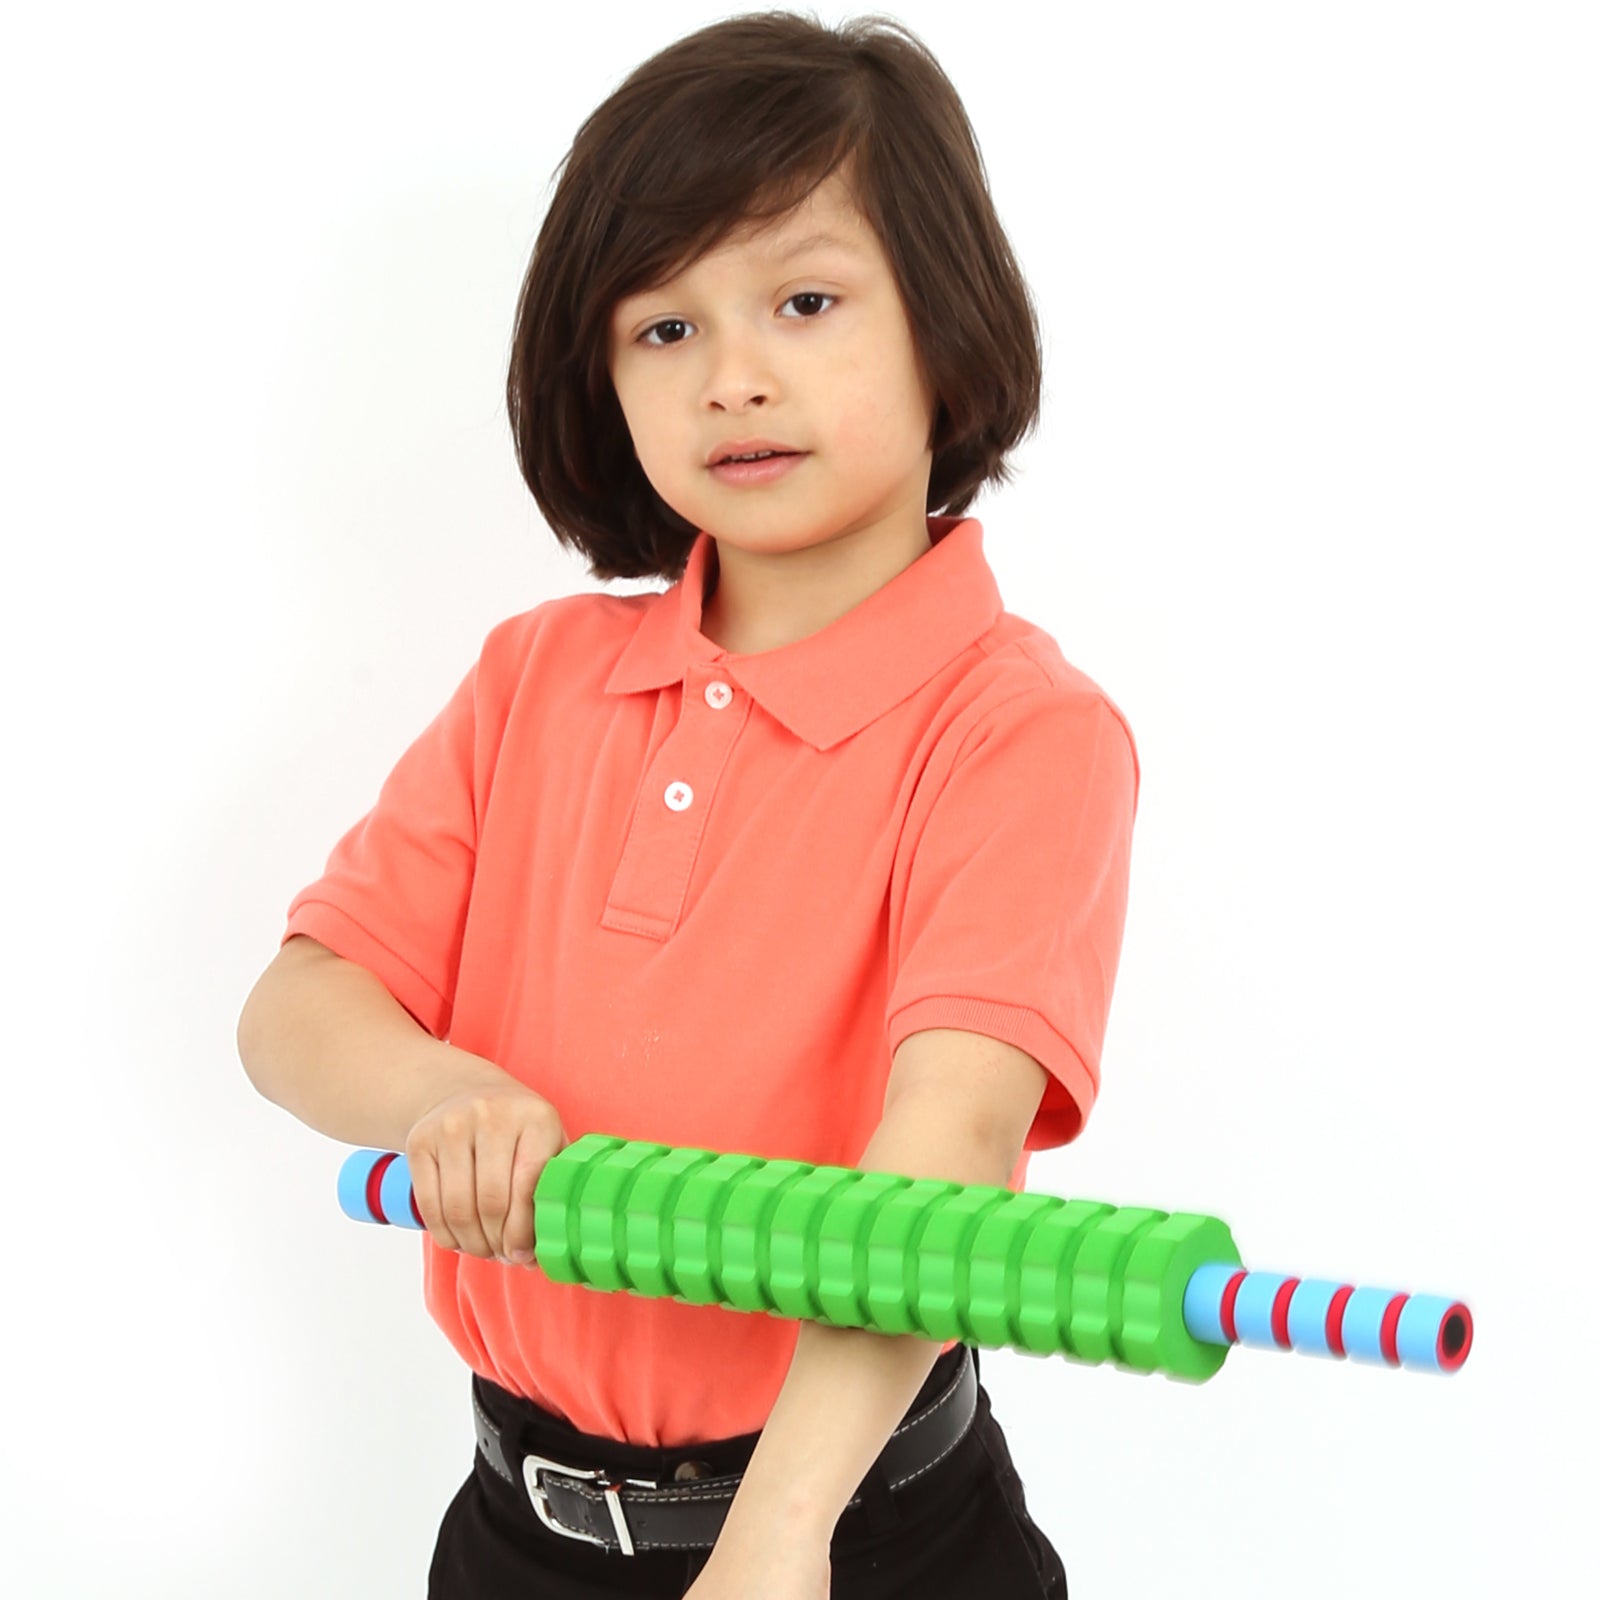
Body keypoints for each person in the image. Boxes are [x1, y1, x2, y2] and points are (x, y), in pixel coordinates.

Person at [236, 10, 1138, 1598]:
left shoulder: (1019, 733)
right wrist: (440, 1094)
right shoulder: (535, 681)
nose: (734, 378)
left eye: (805, 301)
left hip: (850, 1538)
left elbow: (945, 1148)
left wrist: (781, 1529)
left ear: (944, 325)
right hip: (516, 1532)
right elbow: (299, 1007)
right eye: (664, 327)